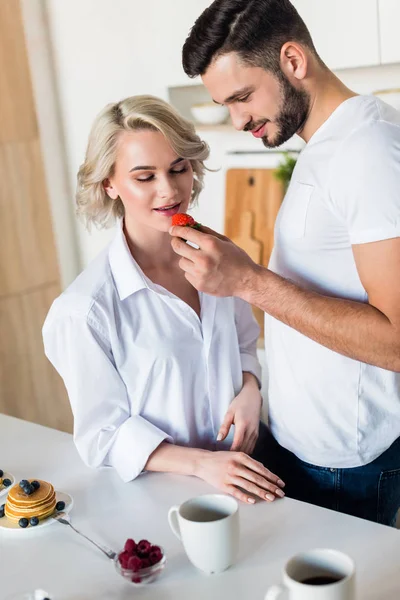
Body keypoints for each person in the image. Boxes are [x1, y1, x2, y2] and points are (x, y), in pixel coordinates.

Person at [169, 0, 400, 526]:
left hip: (346, 460)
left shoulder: (368, 151)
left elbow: (396, 341)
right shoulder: (324, 145)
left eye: (243, 96)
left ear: (293, 61)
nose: (238, 119)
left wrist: (247, 281)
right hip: (306, 441)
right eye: (224, 104)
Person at [42, 95, 285, 505]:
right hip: (163, 499)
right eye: (144, 176)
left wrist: (249, 390)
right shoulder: (84, 311)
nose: (169, 190)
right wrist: (201, 464)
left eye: (178, 169)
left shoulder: (218, 256)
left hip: (249, 476)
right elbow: (102, 435)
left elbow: (245, 342)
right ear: (109, 184)